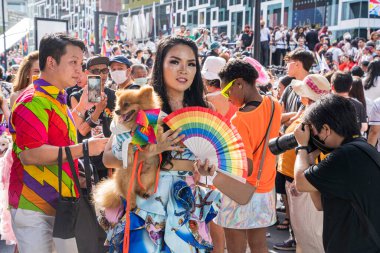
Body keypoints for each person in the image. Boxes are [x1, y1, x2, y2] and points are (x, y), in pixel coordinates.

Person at [101, 36, 220, 252]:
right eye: (175, 62)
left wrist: (205, 168)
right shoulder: (143, 105)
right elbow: (108, 158)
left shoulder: (205, 109)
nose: (183, 70)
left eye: (191, 64)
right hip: (146, 200)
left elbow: (212, 161)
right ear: (160, 65)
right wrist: (150, 150)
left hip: (185, 202)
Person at [9, 33, 108, 253]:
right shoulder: (33, 100)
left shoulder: (55, 98)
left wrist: (82, 108)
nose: (79, 70)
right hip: (35, 205)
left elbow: (59, 136)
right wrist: (84, 148)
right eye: (73, 62)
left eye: (80, 63)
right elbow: (31, 154)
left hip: (62, 203)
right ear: (51, 62)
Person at [294, 94, 380, 252]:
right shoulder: (362, 148)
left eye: (315, 132)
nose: (316, 138)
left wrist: (302, 147)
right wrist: (312, 157)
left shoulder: (343, 157)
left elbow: (300, 182)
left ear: (326, 129)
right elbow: (320, 204)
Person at [216, 59, 281, 253]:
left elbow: (246, 167)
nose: (226, 97)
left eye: (227, 91)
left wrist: (218, 159)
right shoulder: (274, 104)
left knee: (236, 248)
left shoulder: (240, 119)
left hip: (240, 192)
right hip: (266, 188)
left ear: (239, 83)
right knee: (259, 246)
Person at [70, 56, 116, 179]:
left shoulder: (114, 95)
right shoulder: (78, 97)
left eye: (105, 71)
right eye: (96, 71)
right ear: (87, 73)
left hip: (109, 156)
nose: (102, 75)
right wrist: (98, 110)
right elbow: (82, 130)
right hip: (88, 157)